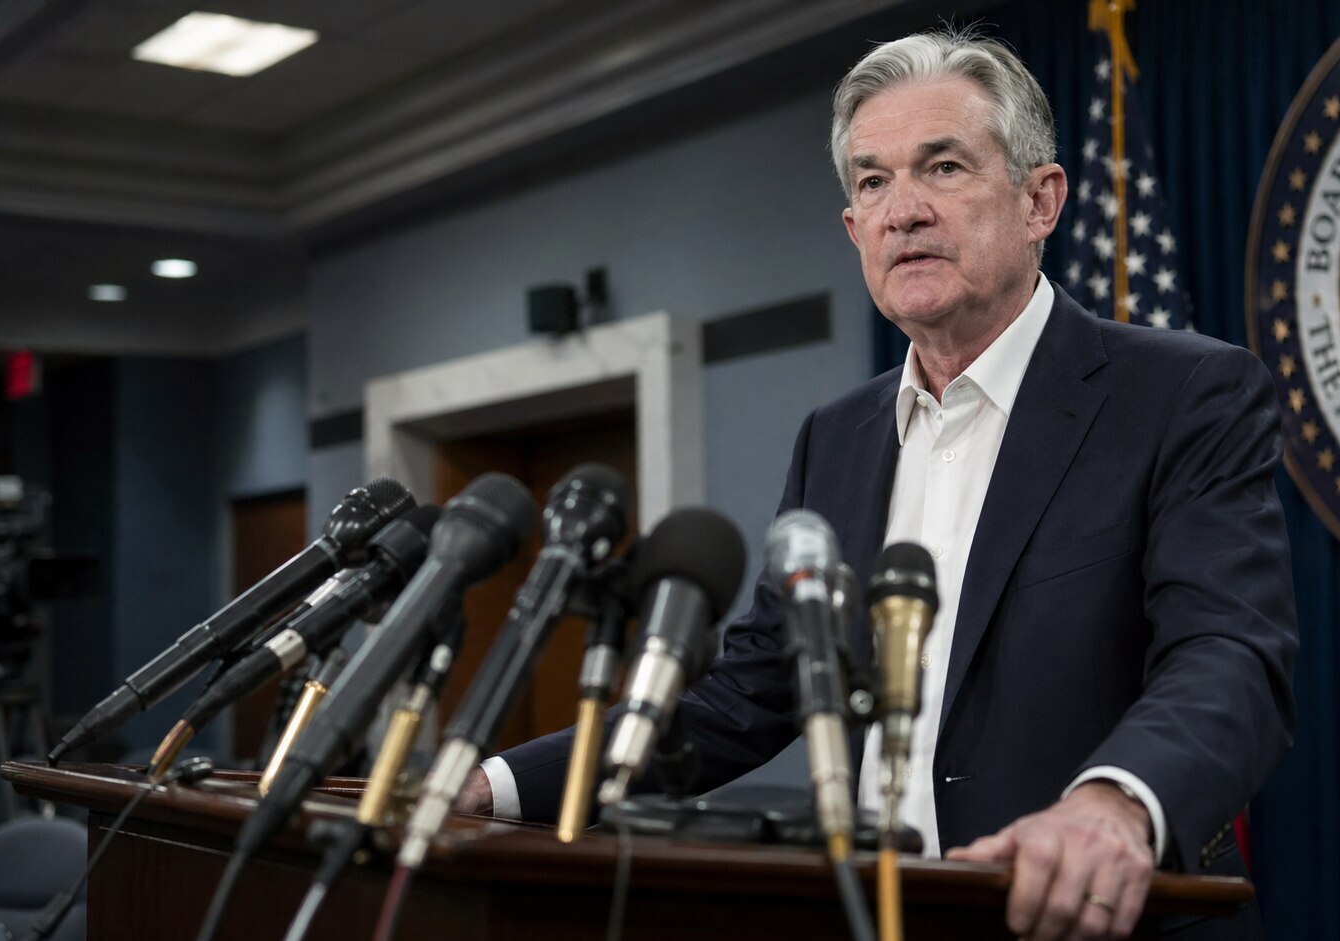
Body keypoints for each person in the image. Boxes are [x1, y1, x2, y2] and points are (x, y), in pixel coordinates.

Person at [460, 27, 1297, 941]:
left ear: (1041, 201)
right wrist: (495, 785)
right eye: (873, 181)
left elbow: (1228, 653)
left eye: (942, 167)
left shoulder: (1181, 394)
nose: (904, 210)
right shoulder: (837, 439)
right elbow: (748, 694)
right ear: (855, 230)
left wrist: (1113, 805)